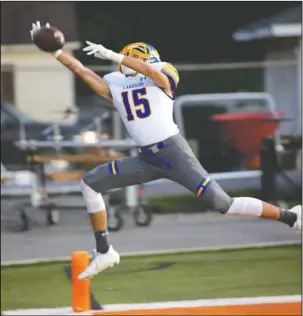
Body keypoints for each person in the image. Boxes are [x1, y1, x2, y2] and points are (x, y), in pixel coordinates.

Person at [30, 22, 301, 280]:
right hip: (147, 157)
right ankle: (104, 251)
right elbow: (83, 72)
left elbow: (155, 74)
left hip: (173, 152)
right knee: (90, 184)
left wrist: (114, 54)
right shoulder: (117, 83)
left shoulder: (161, 73)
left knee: (225, 205)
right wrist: (55, 52)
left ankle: (292, 217)